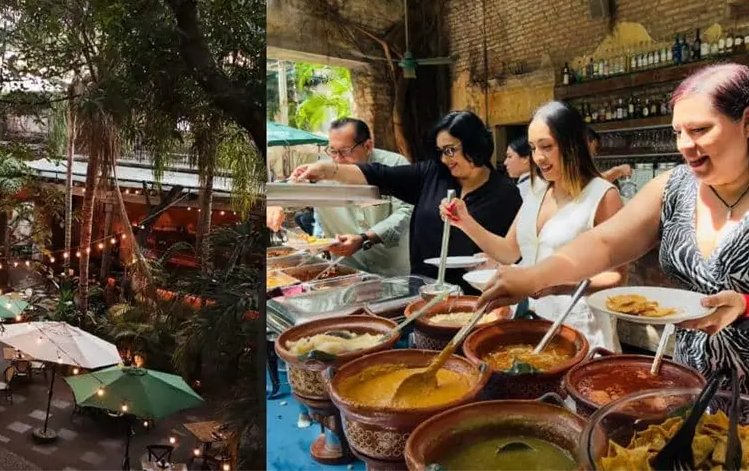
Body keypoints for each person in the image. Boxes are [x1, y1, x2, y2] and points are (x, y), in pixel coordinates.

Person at [479, 64, 749, 392]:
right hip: (694, 379)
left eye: (700, 130)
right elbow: (605, 242)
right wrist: (534, 277)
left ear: (746, 122)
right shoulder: (674, 187)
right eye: (678, 132)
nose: (684, 145)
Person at [441, 102, 625, 350]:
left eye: (547, 146)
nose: (538, 157)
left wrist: (550, 285)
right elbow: (508, 251)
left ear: (573, 144)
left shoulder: (603, 196)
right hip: (532, 324)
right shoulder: (537, 191)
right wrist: (464, 221)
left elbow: (617, 276)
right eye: (533, 148)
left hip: (582, 329)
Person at [291, 111, 522, 293]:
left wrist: (490, 255)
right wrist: (328, 170)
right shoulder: (433, 174)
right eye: (441, 151)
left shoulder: (505, 194)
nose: (445, 158)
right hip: (426, 291)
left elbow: (514, 254)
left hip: (477, 296)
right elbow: (379, 174)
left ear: (475, 145)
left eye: (450, 150)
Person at [268, 118, 413, 278]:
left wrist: (365, 238)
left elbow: (407, 211)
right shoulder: (321, 171)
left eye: (344, 151)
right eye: (332, 151)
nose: (337, 159)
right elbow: (295, 192)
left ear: (367, 146)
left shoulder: (395, 164)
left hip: (391, 268)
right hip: (347, 270)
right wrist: (278, 202)